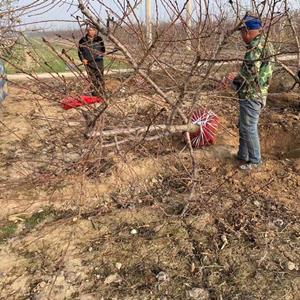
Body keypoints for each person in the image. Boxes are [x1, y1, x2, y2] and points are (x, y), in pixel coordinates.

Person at [225, 15, 274, 170]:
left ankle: (255, 161)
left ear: (247, 31)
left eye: (242, 32)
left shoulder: (254, 49)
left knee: (249, 127)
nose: (241, 36)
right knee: (244, 125)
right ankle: (243, 155)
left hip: (252, 94)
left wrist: (233, 79)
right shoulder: (265, 44)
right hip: (257, 93)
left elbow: (249, 75)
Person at [78, 25, 106, 96]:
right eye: (90, 30)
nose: (92, 31)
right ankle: (95, 96)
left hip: (99, 62)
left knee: (101, 79)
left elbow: (103, 50)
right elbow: (79, 52)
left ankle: (102, 95)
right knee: (92, 80)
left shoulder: (99, 39)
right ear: (87, 31)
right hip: (89, 64)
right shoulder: (82, 40)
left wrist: (101, 54)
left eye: (93, 30)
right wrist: (83, 59)